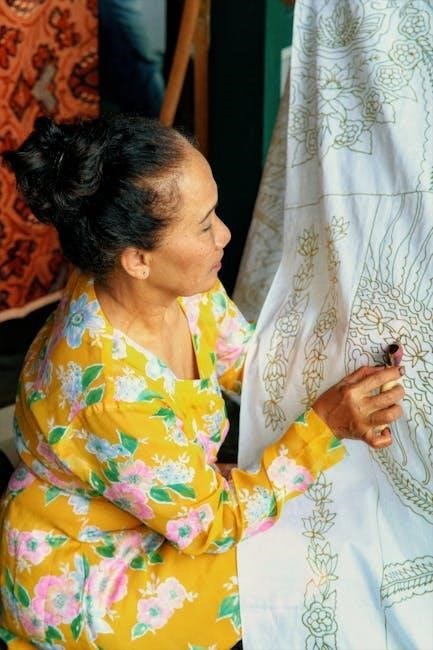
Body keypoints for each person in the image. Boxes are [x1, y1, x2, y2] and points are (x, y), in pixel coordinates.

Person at [0, 115, 404, 649]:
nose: (225, 234)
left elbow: (247, 363)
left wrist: (353, 366)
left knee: (313, 518)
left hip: (160, 503)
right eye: (205, 224)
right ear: (138, 259)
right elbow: (211, 524)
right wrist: (324, 428)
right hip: (87, 558)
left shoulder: (176, 288)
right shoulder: (113, 391)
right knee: (290, 565)